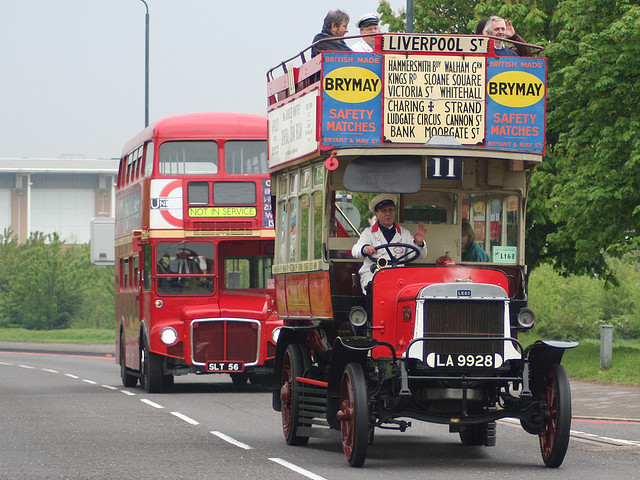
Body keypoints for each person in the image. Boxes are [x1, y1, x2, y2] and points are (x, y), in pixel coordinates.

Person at [352, 193, 427, 293]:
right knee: (374, 288)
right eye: (384, 211)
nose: (388, 214)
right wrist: (365, 249)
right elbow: (355, 250)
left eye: (391, 210)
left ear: (395, 213)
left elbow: (419, 255)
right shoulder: (368, 233)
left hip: (398, 278)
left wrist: (419, 242)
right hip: (373, 275)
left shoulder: (404, 233)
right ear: (376, 214)